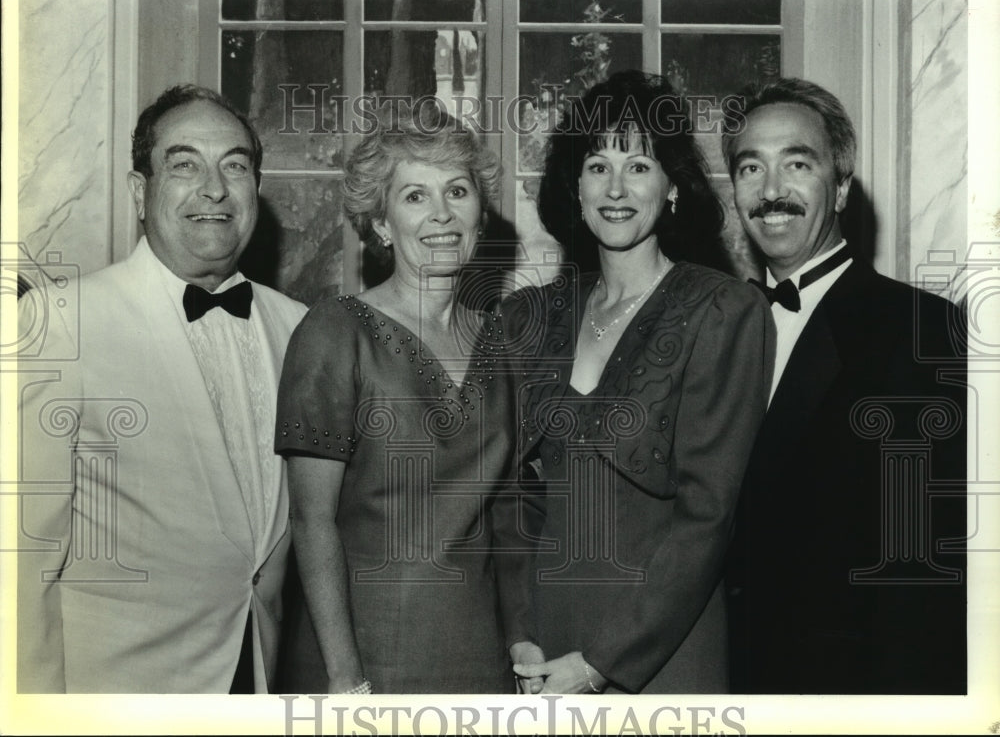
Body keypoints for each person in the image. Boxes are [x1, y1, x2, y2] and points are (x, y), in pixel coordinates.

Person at [17, 85, 308, 692]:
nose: (214, 188)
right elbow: (21, 561)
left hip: (255, 677)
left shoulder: (299, 328)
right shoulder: (60, 322)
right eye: (183, 165)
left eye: (235, 165)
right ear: (139, 193)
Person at [505, 70, 774, 694]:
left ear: (673, 186)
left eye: (640, 166)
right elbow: (510, 500)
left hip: (661, 652)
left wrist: (600, 663)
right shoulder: (529, 316)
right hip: (541, 647)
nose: (616, 187)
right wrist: (520, 636)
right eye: (597, 165)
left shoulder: (724, 311)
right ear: (574, 187)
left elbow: (708, 514)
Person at [274, 103, 532, 694]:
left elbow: (506, 520)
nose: (441, 214)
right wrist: (346, 686)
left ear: (480, 215)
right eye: (415, 196)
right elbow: (311, 522)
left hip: (480, 661)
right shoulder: (334, 330)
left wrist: (521, 642)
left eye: (457, 191)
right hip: (362, 661)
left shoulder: (502, 341)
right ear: (382, 225)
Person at [721, 77, 967, 693]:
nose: (771, 191)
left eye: (797, 163)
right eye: (751, 168)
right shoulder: (717, 327)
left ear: (842, 188)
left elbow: (926, 581)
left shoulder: (922, 332)